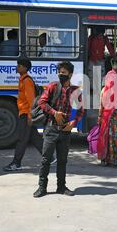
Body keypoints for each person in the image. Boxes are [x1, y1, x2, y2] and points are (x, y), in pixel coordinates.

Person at [33, 61, 84, 198]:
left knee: (62, 160)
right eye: (59, 72)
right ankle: (42, 187)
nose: (61, 75)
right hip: (51, 128)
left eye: (64, 73)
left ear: (70, 74)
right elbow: (41, 102)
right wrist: (54, 112)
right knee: (46, 159)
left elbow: (80, 111)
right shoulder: (53, 86)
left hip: (65, 130)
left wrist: (74, 122)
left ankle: (61, 187)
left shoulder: (75, 91)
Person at [3, 59, 46, 172]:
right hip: (24, 112)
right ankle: (50, 157)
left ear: (25, 68)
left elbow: (31, 99)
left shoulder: (26, 81)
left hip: (26, 114)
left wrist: (30, 116)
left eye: (19, 66)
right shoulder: (22, 79)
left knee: (22, 139)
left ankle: (16, 163)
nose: (17, 67)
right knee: (35, 138)